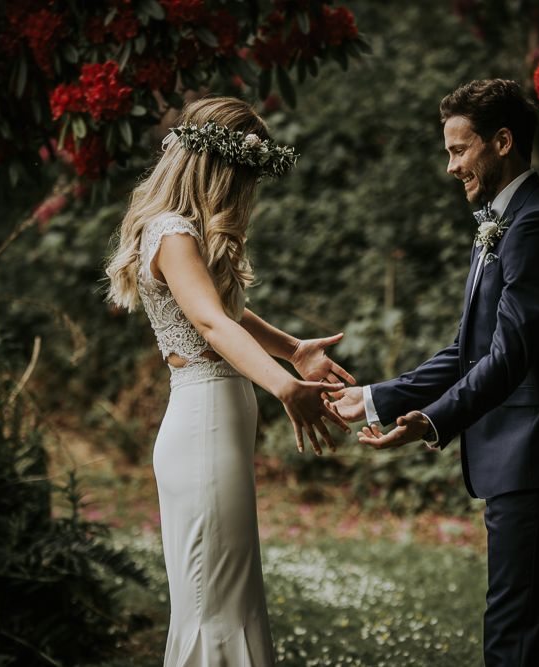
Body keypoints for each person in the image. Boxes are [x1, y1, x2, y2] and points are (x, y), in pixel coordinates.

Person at [330, 79, 539, 666]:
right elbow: (466, 350)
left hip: (536, 458)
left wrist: (431, 420)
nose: (450, 165)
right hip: (528, 460)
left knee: (515, 637)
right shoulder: (498, 225)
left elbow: (508, 356)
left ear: (502, 141)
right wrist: (374, 397)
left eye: (458, 149)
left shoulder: (536, 225)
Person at [106, 96, 353, 666]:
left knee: (228, 596)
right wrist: (283, 386)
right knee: (213, 603)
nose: (246, 193)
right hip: (202, 422)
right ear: (218, 167)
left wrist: (294, 350)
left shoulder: (183, 233)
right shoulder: (171, 232)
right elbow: (212, 322)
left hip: (215, 420)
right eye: (245, 176)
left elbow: (227, 312)